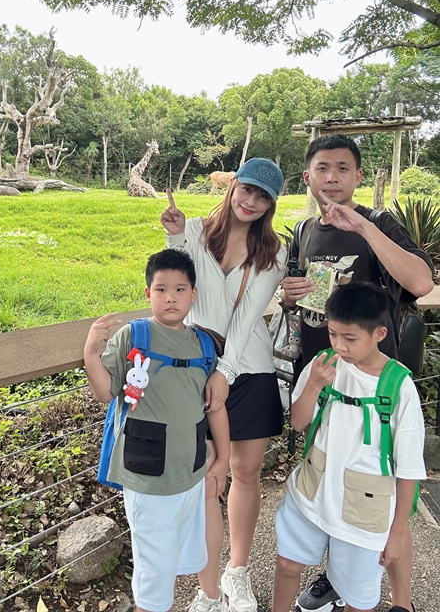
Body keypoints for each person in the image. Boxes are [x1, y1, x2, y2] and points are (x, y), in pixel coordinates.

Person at [280, 133, 434, 612]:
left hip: (376, 383)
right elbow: (298, 301)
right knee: (331, 483)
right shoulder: (305, 231)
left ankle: (401, 601)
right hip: (323, 376)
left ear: (358, 176)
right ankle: (338, 577)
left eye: (343, 168)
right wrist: (288, 294)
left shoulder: (380, 222)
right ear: (307, 177)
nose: (332, 177)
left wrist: (365, 228)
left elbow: (422, 282)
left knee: (382, 489)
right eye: (322, 168)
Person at [161, 158, 287, 612]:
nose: (251, 202)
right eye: (247, 190)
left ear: (271, 204)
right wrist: (175, 235)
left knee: (246, 473)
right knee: (206, 480)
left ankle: (238, 571)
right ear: (233, 186)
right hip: (194, 368)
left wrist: (225, 374)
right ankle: (209, 588)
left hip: (248, 370)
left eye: (263, 197)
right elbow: (178, 285)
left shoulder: (273, 251)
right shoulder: (194, 230)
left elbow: (248, 319)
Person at [84, 248, 231, 612]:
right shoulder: (133, 337)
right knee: (153, 567)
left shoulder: (204, 344)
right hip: (147, 477)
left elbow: (214, 406)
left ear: (193, 295)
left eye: (180, 290)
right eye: (161, 289)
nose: (171, 298)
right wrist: (90, 352)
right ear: (148, 294)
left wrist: (223, 458)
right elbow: (105, 393)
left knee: (181, 550)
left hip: (192, 473)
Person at [271, 282, 426, 612]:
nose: (339, 346)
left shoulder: (399, 387)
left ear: (379, 333)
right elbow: (298, 423)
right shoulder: (324, 364)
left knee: (358, 597)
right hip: (311, 494)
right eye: (333, 334)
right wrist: (313, 385)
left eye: (350, 338)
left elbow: (409, 467)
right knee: (286, 565)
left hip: (364, 512)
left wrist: (397, 531)